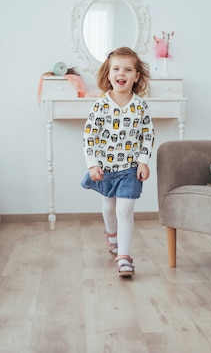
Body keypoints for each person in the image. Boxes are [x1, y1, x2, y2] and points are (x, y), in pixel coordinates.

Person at [81, 47, 155, 277]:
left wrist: (143, 161)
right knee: (109, 206)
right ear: (109, 73)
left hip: (130, 169)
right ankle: (111, 236)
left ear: (136, 76)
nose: (121, 73)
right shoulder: (101, 105)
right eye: (116, 69)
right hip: (105, 167)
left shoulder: (141, 106)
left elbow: (148, 135)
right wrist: (92, 164)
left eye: (128, 69)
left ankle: (124, 256)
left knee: (125, 209)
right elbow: (89, 136)